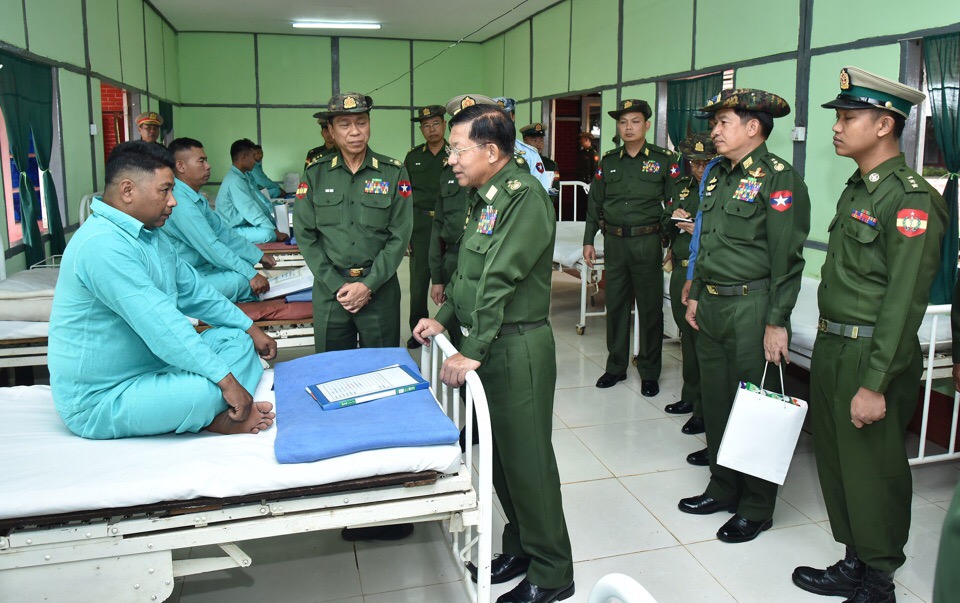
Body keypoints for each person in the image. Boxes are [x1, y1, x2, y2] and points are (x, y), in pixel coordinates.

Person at [792, 68, 945, 603]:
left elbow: (903, 303)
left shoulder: (909, 199)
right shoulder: (858, 188)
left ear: (884, 125)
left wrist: (876, 382)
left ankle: (879, 580)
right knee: (838, 462)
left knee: (874, 469)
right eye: (838, 117)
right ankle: (853, 560)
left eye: (848, 117)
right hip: (834, 345)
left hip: (871, 354)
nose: (837, 127)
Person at [413, 102, 574, 603]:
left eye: (458, 149)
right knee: (501, 459)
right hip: (490, 343)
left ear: (490, 151)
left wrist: (472, 348)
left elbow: (500, 277)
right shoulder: (486, 196)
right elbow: (469, 274)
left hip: (516, 346)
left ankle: (553, 571)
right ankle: (521, 547)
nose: (451, 159)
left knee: (529, 463)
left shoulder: (524, 198)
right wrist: (445, 318)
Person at [48, 141, 277, 440]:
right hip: (106, 396)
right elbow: (162, 326)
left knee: (236, 339)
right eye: (165, 191)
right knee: (202, 392)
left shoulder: (151, 235)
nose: (173, 202)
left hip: (158, 367)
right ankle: (214, 411)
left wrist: (250, 328)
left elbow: (196, 292)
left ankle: (216, 412)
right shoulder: (101, 245)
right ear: (128, 190)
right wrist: (227, 382)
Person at [679, 88, 810, 544]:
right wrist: (696, 293)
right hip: (712, 304)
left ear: (753, 127)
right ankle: (722, 486)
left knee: (755, 406)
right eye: (715, 123)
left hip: (752, 306)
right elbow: (708, 241)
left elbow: (787, 260)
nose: (714, 131)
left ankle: (756, 505)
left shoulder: (779, 179)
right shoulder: (717, 175)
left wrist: (777, 322)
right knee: (716, 401)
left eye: (723, 123)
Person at [293, 92, 413, 354]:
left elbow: (400, 234)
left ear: (369, 124)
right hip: (331, 292)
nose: (355, 132)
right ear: (331, 131)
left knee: (382, 367)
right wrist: (337, 285)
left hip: (380, 291)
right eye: (345, 125)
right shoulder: (315, 174)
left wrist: (368, 285)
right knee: (332, 368)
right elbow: (305, 235)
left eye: (361, 122)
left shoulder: (393, 172)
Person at [584, 98, 679, 397]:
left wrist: (672, 242)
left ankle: (649, 371)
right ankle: (616, 367)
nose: (628, 127)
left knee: (650, 308)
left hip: (647, 242)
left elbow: (674, 203)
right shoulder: (609, 160)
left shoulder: (664, 160)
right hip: (614, 243)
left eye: (635, 121)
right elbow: (595, 202)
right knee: (616, 306)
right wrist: (588, 239)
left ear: (647, 125)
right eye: (623, 122)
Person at [165, 137, 276, 302]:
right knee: (243, 281)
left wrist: (257, 255)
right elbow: (211, 245)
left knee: (246, 269)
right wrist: (250, 274)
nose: (208, 166)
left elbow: (224, 232)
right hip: (186, 279)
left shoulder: (194, 197)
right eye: (201, 161)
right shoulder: (180, 202)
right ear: (181, 166)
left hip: (204, 269)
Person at [661, 131, 715, 465]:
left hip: (704, 273)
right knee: (686, 340)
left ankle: (704, 410)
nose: (698, 168)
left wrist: (698, 229)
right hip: (681, 270)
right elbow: (666, 223)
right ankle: (689, 396)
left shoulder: (719, 187)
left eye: (705, 162)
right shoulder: (681, 187)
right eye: (694, 162)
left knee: (702, 344)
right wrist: (674, 218)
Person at [403, 104, 448, 349]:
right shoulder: (413, 157)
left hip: (448, 227)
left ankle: (454, 328)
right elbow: (404, 196)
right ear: (421, 130)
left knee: (452, 279)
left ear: (444, 125)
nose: (431, 129)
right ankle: (417, 331)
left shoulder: (455, 154)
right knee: (419, 284)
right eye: (426, 126)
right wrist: (406, 232)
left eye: (436, 124)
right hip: (420, 226)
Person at [216, 138, 288, 244]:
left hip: (244, 224)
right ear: (243, 157)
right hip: (231, 230)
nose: (255, 161)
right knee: (269, 234)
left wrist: (272, 221)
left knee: (273, 225)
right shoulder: (234, 180)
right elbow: (250, 209)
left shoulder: (244, 176)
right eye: (252, 156)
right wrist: (275, 231)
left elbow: (258, 201)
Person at [493, 97, 553, 191]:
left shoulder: (530, 154)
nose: (502, 121)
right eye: (496, 117)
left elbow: (541, 190)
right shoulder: (477, 150)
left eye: (506, 116)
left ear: (513, 117)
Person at [520, 122, 560, 191]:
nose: (539, 144)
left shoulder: (550, 165)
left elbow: (555, 190)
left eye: (541, 140)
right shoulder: (518, 162)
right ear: (524, 142)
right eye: (534, 140)